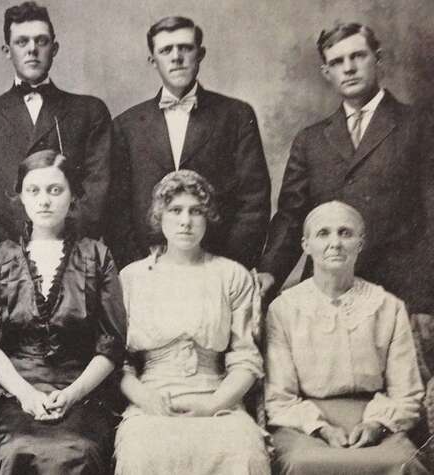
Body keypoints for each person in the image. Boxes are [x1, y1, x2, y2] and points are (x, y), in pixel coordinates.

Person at [258, 22, 434, 314]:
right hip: (328, 294)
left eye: (358, 56)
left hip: (402, 296)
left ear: (378, 58)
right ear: (327, 73)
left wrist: (426, 302)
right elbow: (291, 217)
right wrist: (270, 273)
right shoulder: (310, 139)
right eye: (337, 62)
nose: (348, 68)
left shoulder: (420, 126)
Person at [0, 150, 126, 474]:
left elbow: (111, 342)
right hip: (14, 391)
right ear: (20, 196)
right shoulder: (0, 258)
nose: (44, 200)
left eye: (55, 190)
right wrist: (26, 395)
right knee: (15, 449)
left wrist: (72, 394)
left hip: (83, 391)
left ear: (73, 195)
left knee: (80, 451)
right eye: (34, 190)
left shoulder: (96, 255)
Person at [114, 170, 269, 474]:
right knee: (141, 453)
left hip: (218, 399)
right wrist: (147, 399)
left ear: (207, 217)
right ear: (160, 216)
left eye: (196, 211)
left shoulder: (231, 275)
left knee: (244, 453)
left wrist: (214, 405)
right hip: (152, 400)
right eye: (175, 210)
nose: (186, 221)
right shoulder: (132, 278)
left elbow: (246, 360)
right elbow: (117, 361)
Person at [265, 201, 430, 475]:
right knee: (301, 464)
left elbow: (407, 392)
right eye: (323, 234)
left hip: (376, 416)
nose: (335, 243)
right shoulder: (284, 309)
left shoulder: (387, 306)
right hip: (304, 423)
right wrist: (321, 428)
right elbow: (279, 396)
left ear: (360, 243)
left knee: (403, 465)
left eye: (345, 233)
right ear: (306, 245)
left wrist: (376, 425)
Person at [0, 1, 113, 258]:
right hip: (4, 256)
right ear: (7, 50)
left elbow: (98, 188)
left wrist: (56, 239)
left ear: (54, 48)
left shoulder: (89, 111)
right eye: (22, 42)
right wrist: (10, 246)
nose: (32, 50)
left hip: (70, 252)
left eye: (41, 41)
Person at [109, 16, 270, 269]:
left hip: (218, 266)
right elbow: (116, 211)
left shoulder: (236, 115)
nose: (176, 57)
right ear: (153, 60)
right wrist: (139, 268)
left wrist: (228, 268)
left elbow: (254, 202)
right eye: (166, 50)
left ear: (200, 54)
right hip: (147, 270)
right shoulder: (126, 125)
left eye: (185, 48)